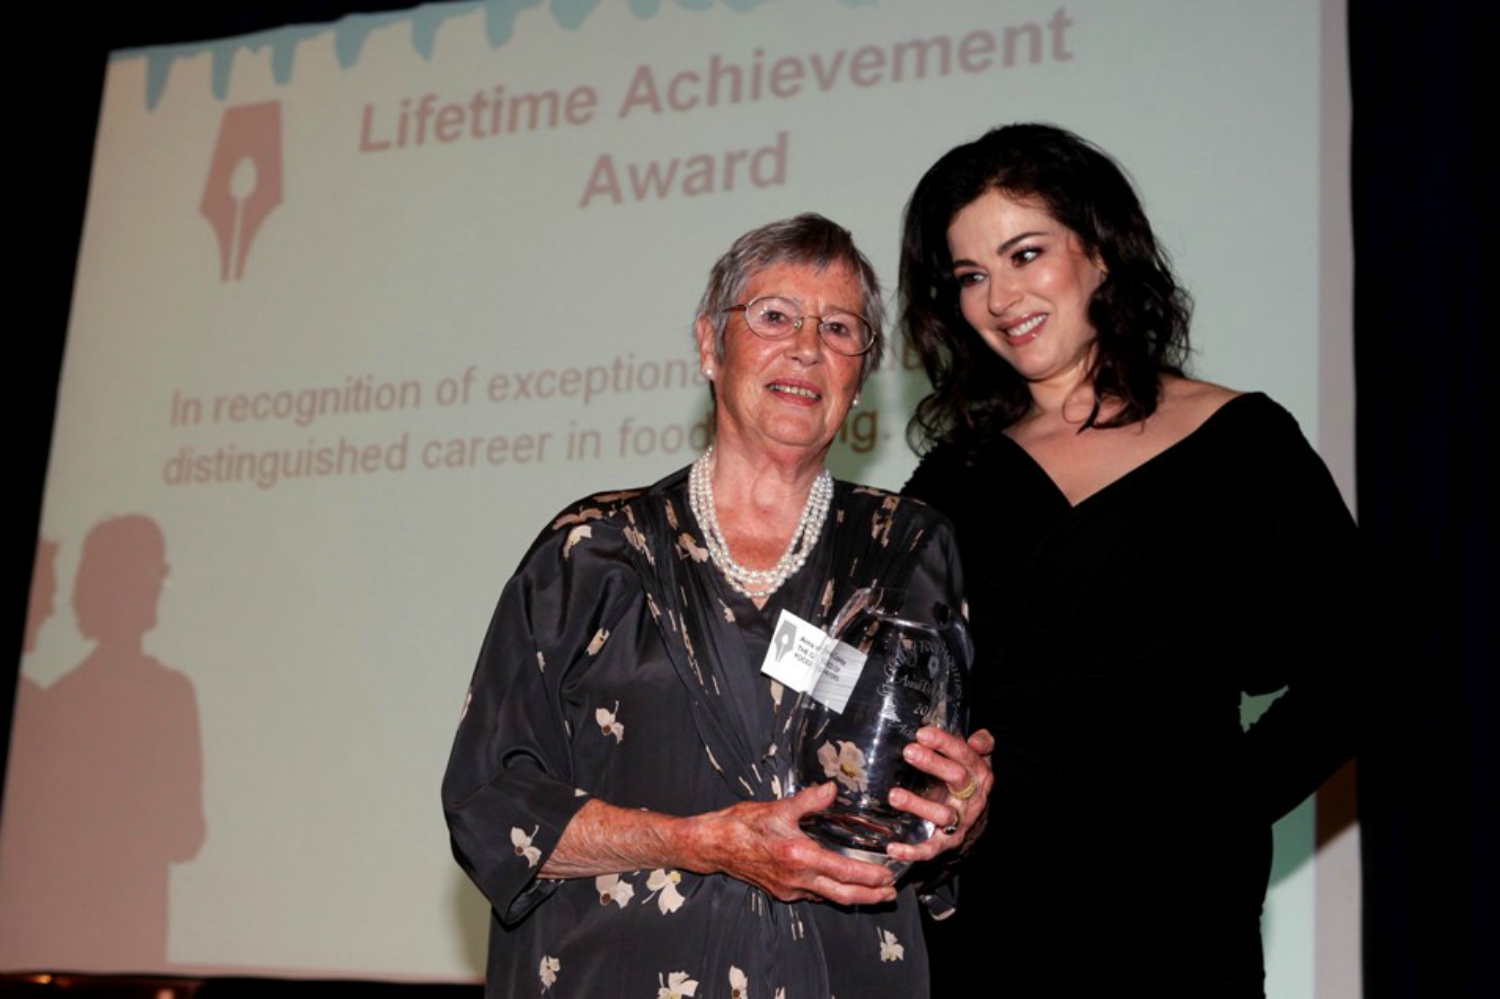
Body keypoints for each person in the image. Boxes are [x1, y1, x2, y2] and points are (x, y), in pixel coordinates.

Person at [444, 214, 994, 998]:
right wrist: (699, 841)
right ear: (710, 345)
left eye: (839, 328)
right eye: (774, 316)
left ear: (860, 374)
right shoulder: (592, 552)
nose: (807, 345)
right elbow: (489, 802)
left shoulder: (907, 548)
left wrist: (956, 809)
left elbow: (924, 803)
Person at [899, 124, 1359, 997]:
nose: (1000, 298)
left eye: (1025, 253)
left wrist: (1224, 807)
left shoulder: (1243, 444)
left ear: (1102, 250)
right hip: (993, 914)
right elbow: (901, 693)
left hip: (1178, 914)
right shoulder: (951, 481)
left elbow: (1358, 661)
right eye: (970, 277)